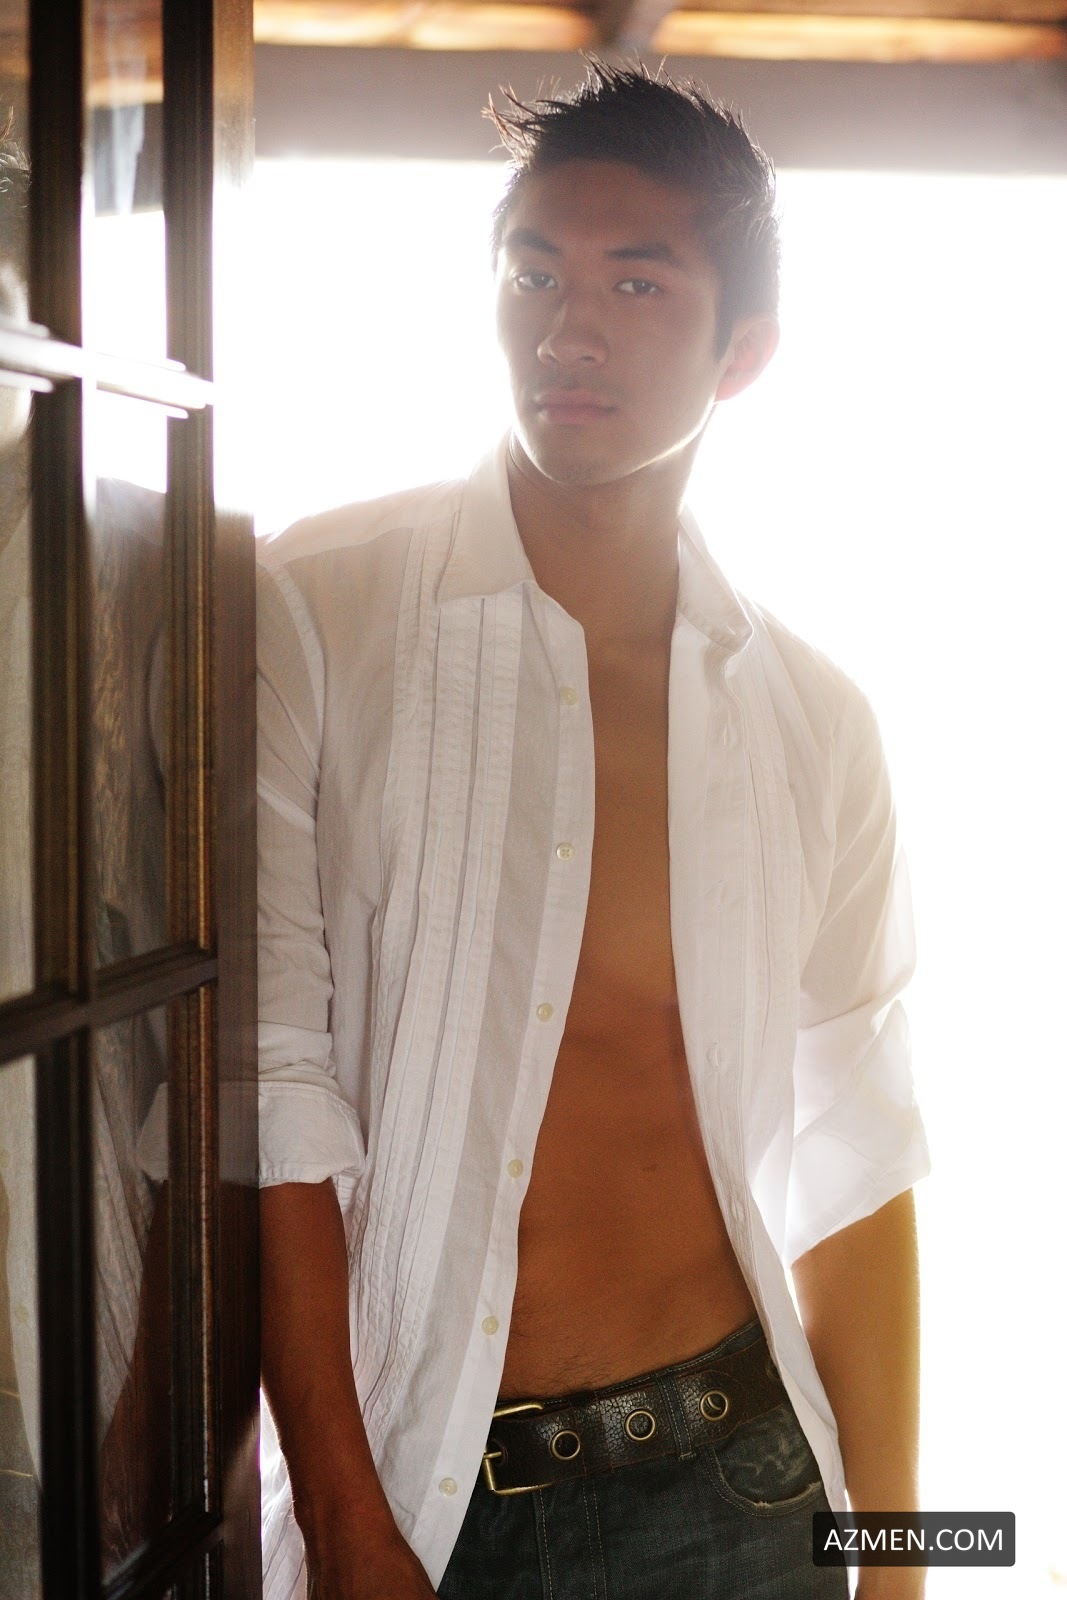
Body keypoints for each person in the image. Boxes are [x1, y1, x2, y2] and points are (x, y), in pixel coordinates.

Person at [257, 62, 930, 1600]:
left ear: (743, 350)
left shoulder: (817, 721)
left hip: (748, 1482)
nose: (569, 328)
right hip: (430, 1499)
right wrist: (344, 1522)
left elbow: (860, 1156)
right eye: (535, 273)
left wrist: (897, 1561)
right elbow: (266, 1100)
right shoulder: (315, 612)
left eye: (637, 282)